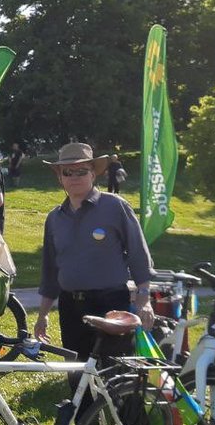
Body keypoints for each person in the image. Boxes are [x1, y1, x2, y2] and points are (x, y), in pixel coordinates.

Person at [35, 143, 155, 372]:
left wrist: (144, 298)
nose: (74, 177)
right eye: (68, 172)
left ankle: (118, 408)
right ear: (60, 178)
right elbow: (50, 271)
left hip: (111, 303)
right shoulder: (54, 218)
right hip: (71, 307)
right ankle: (83, 409)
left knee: (115, 372)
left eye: (81, 171)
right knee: (77, 372)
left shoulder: (115, 206)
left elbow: (138, 254)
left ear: (93, 174)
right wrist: (42, 315)